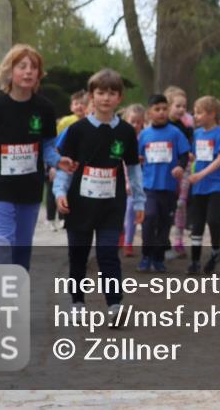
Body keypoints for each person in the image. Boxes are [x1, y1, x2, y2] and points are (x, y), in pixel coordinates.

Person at [0, 44, 74, 270]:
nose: (28, 71)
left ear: (39, 74)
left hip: (30, 187)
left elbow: (48, 146)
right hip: (0, 187)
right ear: (9, 72)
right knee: (2, 244)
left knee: (22, 248)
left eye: (34, 67)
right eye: (22, 66)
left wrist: (57, 161)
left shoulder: (45, 108)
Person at [53, 69, 144, 319]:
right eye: (101, 93)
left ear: (120, 98)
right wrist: (59, 191)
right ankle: (77, 303)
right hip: (79, 204)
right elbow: (65, 167)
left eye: (112, 93)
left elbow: (134, 170)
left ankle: (115, 305)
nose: (106, 98)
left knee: (107, 253)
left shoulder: (126, 132)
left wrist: (139, 201)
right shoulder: (77, 130)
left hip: (111, 204)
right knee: (78, 254)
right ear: (91, 96)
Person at [136, 94, 190, 273]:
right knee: (149, 218)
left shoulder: (175, 133)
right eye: (157, 109)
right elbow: (136, 157)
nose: (161, 112)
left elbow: (184, 154)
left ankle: (158, 258)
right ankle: (146, 256)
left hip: (168, 187)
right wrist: (138, 160)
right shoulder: (144, 134)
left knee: (165, 223)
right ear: (149, 113)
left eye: (164, 109)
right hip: (149, 186)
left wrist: (180, 167)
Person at [186, 96, 220, 275]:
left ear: (212, 114)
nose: (195, 116)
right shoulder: (196, 134)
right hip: (199, 186)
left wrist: (201, 174)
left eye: (199, 112)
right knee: (197, 224)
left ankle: (215, 251)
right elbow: (196, 156)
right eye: (194, 112)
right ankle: (195, 261)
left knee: (212, 219)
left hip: (216, 185)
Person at [165, 86, 193, 259]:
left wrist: (190, 153)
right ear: (168, 106)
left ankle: (178, 241)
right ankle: (163, 240)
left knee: (181, 205)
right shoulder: (162, 126)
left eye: (184, 106)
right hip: (166, 169)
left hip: (184, 169)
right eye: (178, 106)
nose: (182, 109)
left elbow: (191, 146)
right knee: (166, 206)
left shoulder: (187, 127)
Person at [121, 104, 146, 257]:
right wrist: (126, 181)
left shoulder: (145, 137)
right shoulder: (123, 137)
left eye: (139, 122)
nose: (136, 125)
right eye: (133, 122)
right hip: (125, 181)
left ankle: (128, 242)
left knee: (132, 211)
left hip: (143, 182)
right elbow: (123, 162)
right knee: (123, 212)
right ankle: (122, 237)